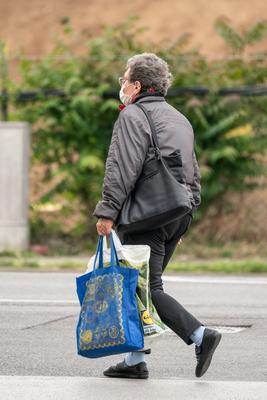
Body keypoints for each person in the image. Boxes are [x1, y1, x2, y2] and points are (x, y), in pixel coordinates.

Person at [92, 53, 221, 379]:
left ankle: (200, 335)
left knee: (148, 287)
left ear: (137, 85)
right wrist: (187, 213)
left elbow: (122, 167)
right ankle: (135, 361)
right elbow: (191, 171)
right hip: (177, 212)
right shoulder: (180, 118)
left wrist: (107, 210)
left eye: (124, 79)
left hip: (146, 215)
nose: (121, 84)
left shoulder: (133, 115)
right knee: (139, 289)